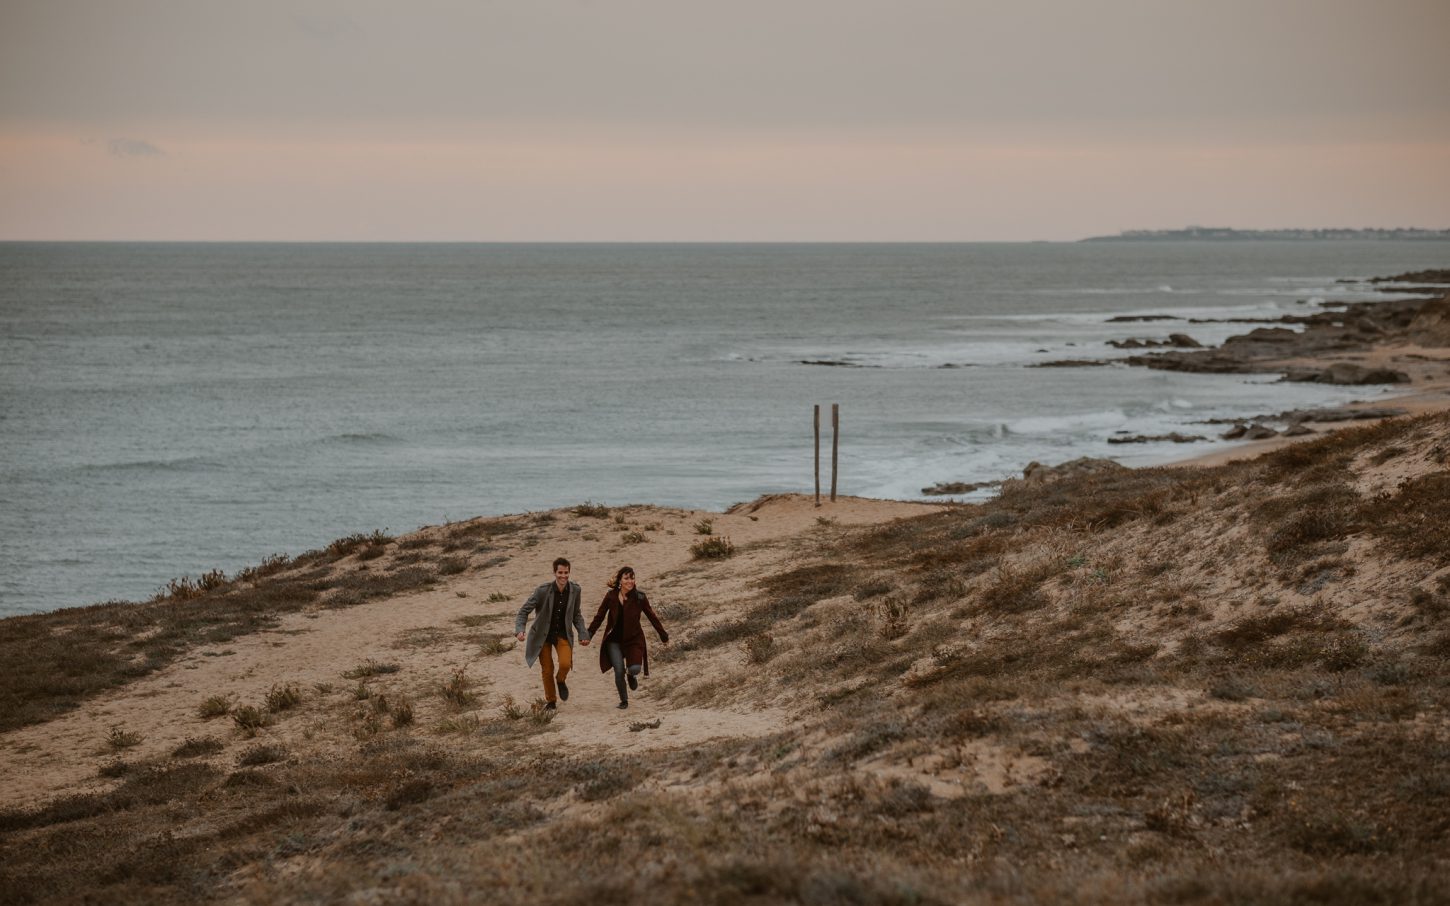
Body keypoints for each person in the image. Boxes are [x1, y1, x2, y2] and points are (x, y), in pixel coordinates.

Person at [587, 565, 669, 709]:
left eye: (632, 578)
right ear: (620, 580)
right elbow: (599, 617)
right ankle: (624, 701)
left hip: (634, 639)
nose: (630, 581)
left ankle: (631, 675)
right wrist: (588, 634)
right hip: (614, 641)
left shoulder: (640, 597)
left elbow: (652, 617)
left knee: (635, 668)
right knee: (619, 670)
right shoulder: (611, 596)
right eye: (626, 578)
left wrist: (664, 636)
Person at [514, 557, 590, 710]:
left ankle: (561, 680)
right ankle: (551, 701)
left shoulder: (575, 590)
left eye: (566, 573)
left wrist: (583, 633)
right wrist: (520, 630)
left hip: (563, 634)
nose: (563, 576)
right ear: (554, 572)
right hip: (543, 637)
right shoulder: (542, 591)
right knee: (547, 669)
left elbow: (576, 614)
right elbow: (523, 611)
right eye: (560, 573)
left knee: (565, 664)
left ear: (569, 572)